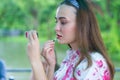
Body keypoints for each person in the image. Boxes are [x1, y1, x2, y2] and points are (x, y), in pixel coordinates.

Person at [26, 0, 115, 80]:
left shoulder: (94, 63)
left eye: (63, 22)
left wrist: (35, 60)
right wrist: (50, 65)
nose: (56, 28)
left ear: (82, 24)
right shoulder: (71, 57)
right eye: (56, 21)